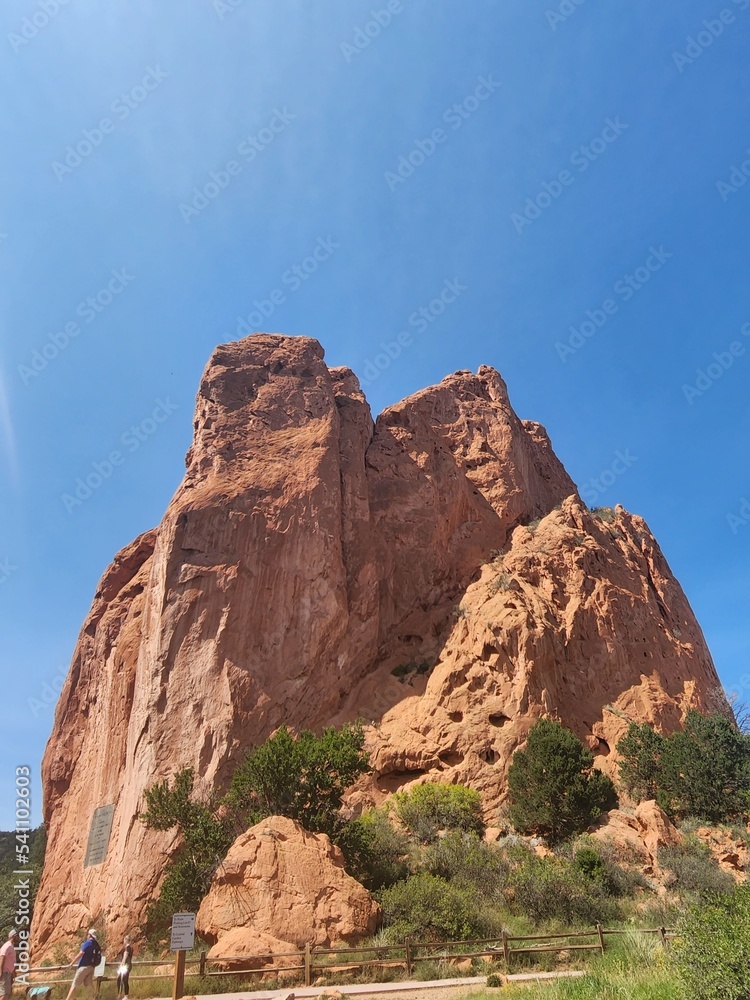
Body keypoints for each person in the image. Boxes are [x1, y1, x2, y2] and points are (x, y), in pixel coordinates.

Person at [65, 929, 100, 1000]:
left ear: (90, 935)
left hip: (84, 966)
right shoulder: (96, 944)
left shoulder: (88, 943)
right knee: (89, 984)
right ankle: (92, 998)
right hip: (92, 966)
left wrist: (71, 963)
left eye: (88, 934)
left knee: (74, 984)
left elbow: (81, 953)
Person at [0, 930, 18, 1000]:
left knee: (7, 994)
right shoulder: (7, 945)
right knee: (4, 994)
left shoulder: (11, 946)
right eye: (16, 935)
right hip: (4, 973)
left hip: (8, 973)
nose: (18, 937)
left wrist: (13, 972)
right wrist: (0, 972)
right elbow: (2, 957)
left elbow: (11, 961)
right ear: (13, 936)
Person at [115, 936, 133, 1000]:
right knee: (120, 979)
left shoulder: (127, 948)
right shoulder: (129, 947)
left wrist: (121, 964)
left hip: (126, 965)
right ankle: (121, 995)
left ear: (126, 940)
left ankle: (125, 996)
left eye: (124, 939)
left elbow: (125, 957)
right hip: (127, 965)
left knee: (124, 980)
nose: (123, 941)